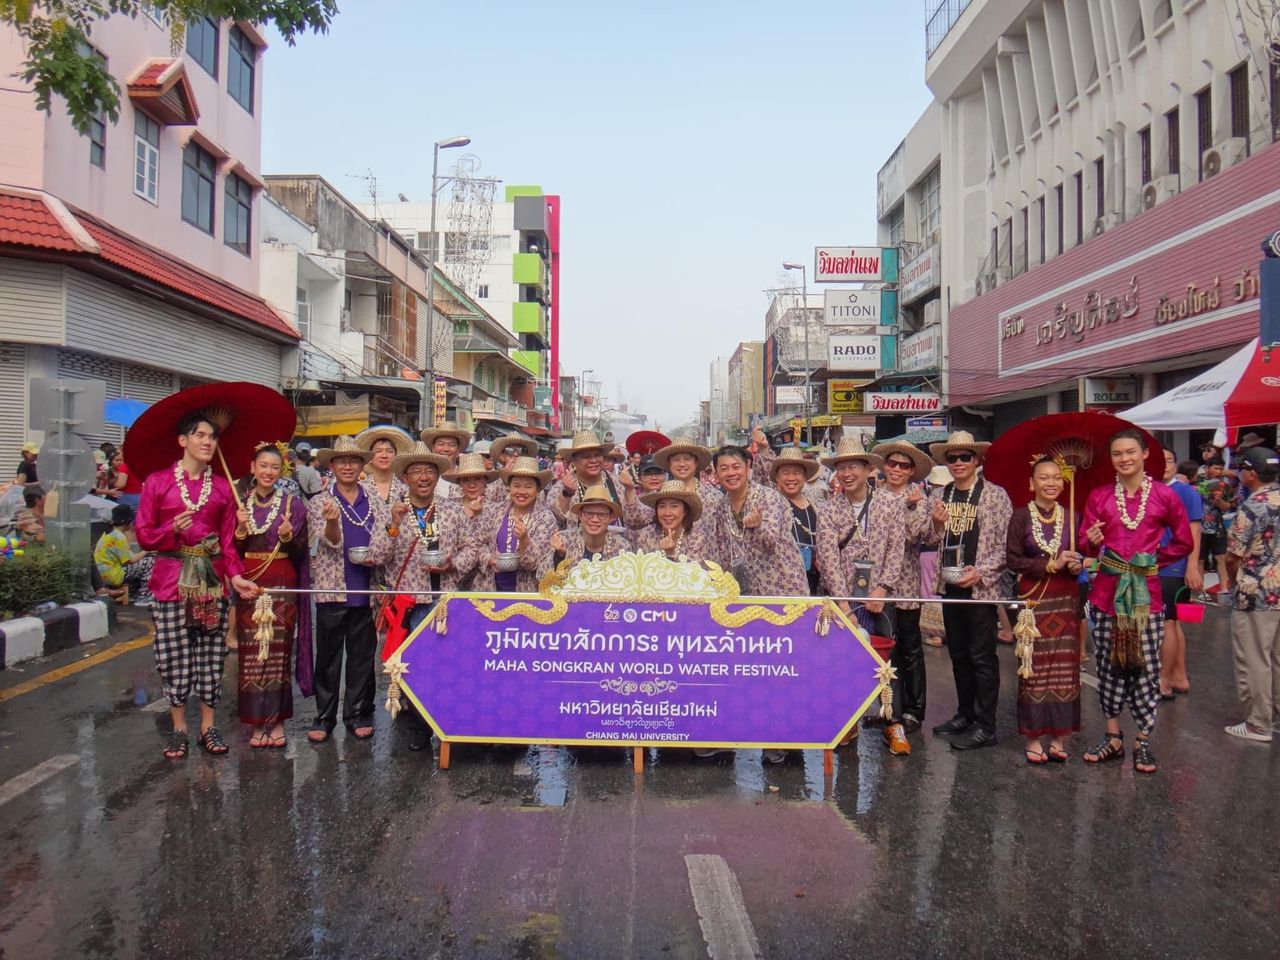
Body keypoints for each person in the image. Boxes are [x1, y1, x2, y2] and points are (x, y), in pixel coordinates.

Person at [135, 413, 259, 759]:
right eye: (200, 435)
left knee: (210, 654)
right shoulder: (158, 483)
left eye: (213, 437)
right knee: (174, 656)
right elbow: (144, 536)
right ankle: (179, 729)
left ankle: (208, 725)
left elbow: (228, 544)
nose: (208, 442)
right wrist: (171, 529)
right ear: (182, 441)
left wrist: (235, 575)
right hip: (170, 578)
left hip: (209, 580)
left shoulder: (222, 487)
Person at [1079, 429, 1192, 774]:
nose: (1124, 458)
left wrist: (1155, 560)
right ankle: (1113, 737)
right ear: (1111, 459)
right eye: (1117, 453)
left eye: (1130, 452)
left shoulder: (1163, 496)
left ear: (1145, 454)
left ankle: (1143, 740)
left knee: (1144, 668)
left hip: (1147, 596)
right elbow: (1085, 542)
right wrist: (1091, 540)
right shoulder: (1099, 496)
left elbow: (1184, 540)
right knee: (1110, 667)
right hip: (1106, 595)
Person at [816, 438, 909, 756]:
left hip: (881, 599)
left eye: (853, 466)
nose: (846, 473)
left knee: (888, 663)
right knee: (844, 663)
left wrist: (884, 587)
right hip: (845, 600)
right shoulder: (828, 510)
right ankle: (848, 722)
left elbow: (897, 548)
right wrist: (843, 605)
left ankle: (892, 723)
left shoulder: (890, 503)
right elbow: (827, 557)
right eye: (840, 467)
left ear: (869, 469)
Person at [926, 430, 1013, 752]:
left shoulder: (995, 495)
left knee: (982, 658)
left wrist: (982, 573)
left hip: (980, 588)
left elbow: (1006, 546)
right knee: (959, 654)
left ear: (977, 460)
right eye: (953, 457)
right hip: (950, 584)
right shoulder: (942, 495)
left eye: (965, 456)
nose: (959, 462)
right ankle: (965, 713)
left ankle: (986, 725)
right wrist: (935, 524)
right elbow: (930, 539)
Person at [306, 436, 392, 744]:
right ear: (332, 465)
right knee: (328, 657)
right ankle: (324, 716)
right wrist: (331, 523)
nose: (347, 466)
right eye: (341, 461)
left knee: (362, 656)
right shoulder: (319, 502)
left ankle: (358, 713)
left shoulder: (373, 500)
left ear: (361, 465)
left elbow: (385, 537)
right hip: (332, 589)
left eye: (353, 461)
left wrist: (379, 550)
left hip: (365, 588)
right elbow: (327, 541)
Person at [1006, 457, 1084, 764]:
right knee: (1035, 668)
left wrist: (1079, 563)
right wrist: (1048, 564)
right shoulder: (1021, 517)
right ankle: (1034, 737)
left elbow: (1083, 560)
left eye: (1056, 478)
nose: (1050, 483)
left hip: (1066, 599)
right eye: (1044, 478)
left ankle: (1060, 735)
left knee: (1065, 668)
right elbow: (1013, 559)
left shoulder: (1073, 516)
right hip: (1035, 599)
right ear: (1032, 483)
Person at [232, 443, 309, 750]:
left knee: (278, 654)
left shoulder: (293, 505)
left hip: (282, 582)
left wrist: (290, 537)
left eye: (274, 467)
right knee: (251, 654)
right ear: (252, 467)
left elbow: (302, 553)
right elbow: (230, 554)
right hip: (249, 583)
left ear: (282, 471)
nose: (268, 472)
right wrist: (239, 530)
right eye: (262, 466)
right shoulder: (240, 503)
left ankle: (276, 721)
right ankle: (255, 722)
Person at [872, 439, 937, 733]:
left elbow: (914, 536)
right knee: (884, 649)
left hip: (906, 583)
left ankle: (913, 710)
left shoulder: (921, 500)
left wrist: (910, 508)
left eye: (903, 466)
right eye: (892, 464)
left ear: (912, 471)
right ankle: (888, 709)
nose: (896, 469)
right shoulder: (874, 497)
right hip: (877, 584)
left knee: (910, 648)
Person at [1223, 446, 1280, 742]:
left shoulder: (1252, 507)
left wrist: (1233, 582)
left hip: (1255, 592)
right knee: (1276, 657)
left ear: (1252, 473)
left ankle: (1259, 723)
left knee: (1255, 658)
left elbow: (1233, 555)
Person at [470, 455, 560, 593]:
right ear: (509, 487)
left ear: (537, 490)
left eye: (528, 487)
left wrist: (524, 539)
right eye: (516, 486)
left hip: (525, 591)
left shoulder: (546, 518)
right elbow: (478, 543)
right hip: (489, 588)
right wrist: (490, 559)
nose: (521, 492)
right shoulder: (496, 510)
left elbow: (533, 563)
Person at [1158, 454, 1203, 699]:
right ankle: (1179, 676)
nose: (1164, 465)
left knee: (1168, 623)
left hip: (1174, 566)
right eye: (1160, 460)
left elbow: (1195, 530)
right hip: (1158, 565)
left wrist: (1192, 566)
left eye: (1168, 460)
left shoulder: (1185, 492)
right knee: (1173, 623)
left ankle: (1164, 680)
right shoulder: (1152, 489)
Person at [769, 447, 822, 595]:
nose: (791, 478)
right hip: (784, 586)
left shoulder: (816, 507)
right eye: (785, 473)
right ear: (777, 478)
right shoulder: (772, 506)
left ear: (805, 477)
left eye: (797, 472)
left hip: (815, 582)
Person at [550, 430, 622, 527]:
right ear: (574, 461)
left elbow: (633, 520)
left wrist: (630, 490)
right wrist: (567, 494)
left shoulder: (616, 481)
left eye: (597, 455)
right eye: (586, 457)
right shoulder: (561, 487)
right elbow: (554, 519)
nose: (593, 460)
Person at [551, 484, 631, 563]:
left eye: (602, 514)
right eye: (589, 513)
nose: (595, 519)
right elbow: (546, 574)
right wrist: (560, 556)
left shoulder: (622, 547)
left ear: (611, 517)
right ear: (580, 515)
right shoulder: (563, 541)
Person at [633, 480, 710, 561]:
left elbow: (695, 572)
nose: (667, 513)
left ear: (685, 511)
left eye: (674, 506)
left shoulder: (696, 537)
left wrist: (671, 554)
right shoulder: (646, 535)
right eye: (662, 506)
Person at [93, 504, 154, 606]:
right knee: (150, 561)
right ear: (128, 522)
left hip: (101, 575)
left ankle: (133, 593)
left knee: (141, 561)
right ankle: (144, 597)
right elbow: (131, 560)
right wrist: (147, 551)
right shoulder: (119, 537)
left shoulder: (109, 532)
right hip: (113, 575)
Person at [1198, 457, 1236, 598]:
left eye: (1221, 469)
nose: (1218, 471)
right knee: (1200, 559)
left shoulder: (1224, 486)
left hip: (1217, 526)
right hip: (1199, 527)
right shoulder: (1197, 481)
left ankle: (1224, 589)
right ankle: (1201, 590)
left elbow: (1227, 508)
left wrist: (1218, 499)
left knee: (1221, 558)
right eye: (1215, 468)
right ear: (1207, 468)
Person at [421, 421, 473, 500]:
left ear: (458, 450)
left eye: (452, 445)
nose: (445, 449)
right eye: (440, 444)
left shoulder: (466, 475)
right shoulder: (424, 476)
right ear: (433, 448)